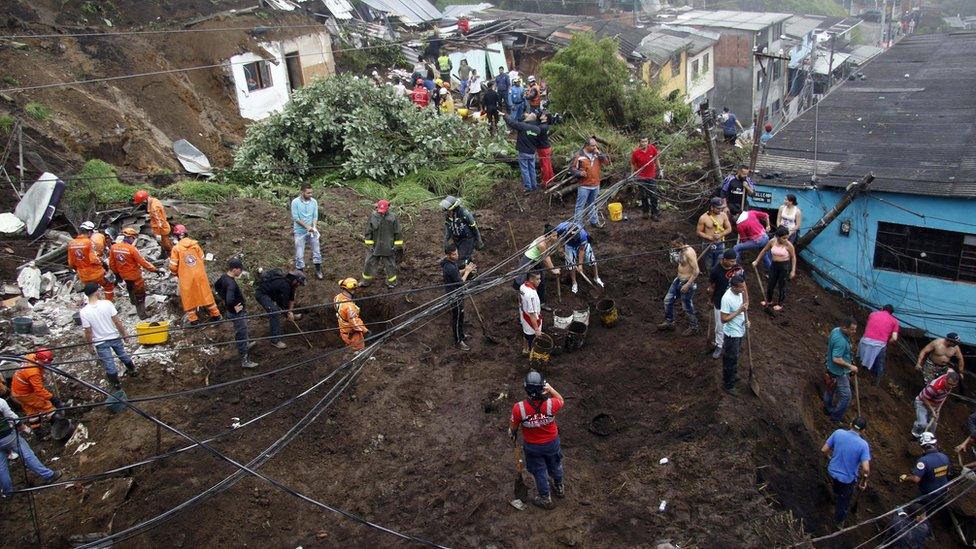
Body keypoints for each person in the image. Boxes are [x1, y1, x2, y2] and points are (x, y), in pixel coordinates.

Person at [508, 371, 565, 510]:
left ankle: (545, 498)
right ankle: (559, 487)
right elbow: (561, 400)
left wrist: (511, 432)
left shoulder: (519, 408)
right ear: (542, 387)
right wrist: (551, 389)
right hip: (552, 443)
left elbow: (513, 428)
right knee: (556, 465)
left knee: (539, 471)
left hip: (533, 447)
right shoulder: (552, 404)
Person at [79, 282, 137, 389]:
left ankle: (116, 384)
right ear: (96, 292)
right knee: (122, 355)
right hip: (113, 336)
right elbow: (117, 321)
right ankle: (133, 370)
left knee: (109, 363)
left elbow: (88, 331)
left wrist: (90, 345)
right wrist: (124, 335)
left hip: (100, 342)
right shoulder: (107, 304)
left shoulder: (84, 312)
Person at [0, 397, 61, 496]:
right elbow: (12, 417)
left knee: (1, 466)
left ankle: (8, 491)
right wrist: (23, 427)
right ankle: (48, 475)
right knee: (27, 455)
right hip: (8, 436)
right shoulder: (1, 402)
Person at [821, 417, 871, 527]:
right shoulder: (863, 445)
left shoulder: (838, 433)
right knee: (843, 502)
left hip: (831, 471)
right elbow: (866, 469)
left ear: (850, 424)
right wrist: (864, 481)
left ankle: (834, 494)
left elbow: (824, 449)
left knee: (835, 486)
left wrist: (830, 458)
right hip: (847, 479)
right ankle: (839, 522)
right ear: (863, 431)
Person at [168, 224, 221, 325]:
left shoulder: (176, 249)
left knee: (188, 297)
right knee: (205, 293)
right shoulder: (195, 245)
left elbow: (173, 266)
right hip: (199, 275)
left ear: (176, 236)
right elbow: (202, 258)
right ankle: (216, 315)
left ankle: (194, 320)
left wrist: (176, 273)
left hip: (186, 277)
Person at [214, 258, 258, 369]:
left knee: (243, 331)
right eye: (240, 270)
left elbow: (216, 286)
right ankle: (245, 360)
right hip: (237, 314)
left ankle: (246, 344)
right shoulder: (231, 284)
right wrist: (234, 307)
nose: (241, 272)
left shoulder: (224, 278)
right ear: (234, 270)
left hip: (231, 311)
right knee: (241, 334)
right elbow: (229, 299)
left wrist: (223, 299)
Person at [108, 227, 158, 319]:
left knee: (130, 289)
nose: (133, 240)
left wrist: (117, 274)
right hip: (135, 276)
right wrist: (155, 270)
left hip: (124, 276)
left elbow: (111, 263)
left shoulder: (114, 248)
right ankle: (142, 315)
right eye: (133, 238)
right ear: (130, 237)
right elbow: (143, 262)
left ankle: (133, 302)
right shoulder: (132, 249)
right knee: (140, 295)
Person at [659, 234, 700, 335]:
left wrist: (687, 285)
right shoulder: (681, 251)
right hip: (679, 279)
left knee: (687, 306)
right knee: (668, 300)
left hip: (687, 282)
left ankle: (694, 326)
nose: (672, 247)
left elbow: (696, 271)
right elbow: (678, 262)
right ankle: (670, 321)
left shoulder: (689, 252)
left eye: (673, 245)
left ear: (679, 243)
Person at [255, 268, 305, 350]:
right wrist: (288, 312)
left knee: (283, 308)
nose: (299, 284)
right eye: (299, 282)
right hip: (262, 294)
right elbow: (282, 303)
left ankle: (290, 316)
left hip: (273, 294)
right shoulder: (284, 285)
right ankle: (275, 340)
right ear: (295, 280)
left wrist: (290, 311)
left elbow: (291, 299)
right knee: (274, 312)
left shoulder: (291, 285)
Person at [899, 432, 950, 510]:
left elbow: (916, 479)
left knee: (913, 507)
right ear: (935, 444)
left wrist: (905, 478)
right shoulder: (944, 457)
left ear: (922, 446)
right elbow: (947, 473)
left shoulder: (923, 461)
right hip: (944, 492)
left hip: (929, 495)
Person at [709, 250, 744, 360]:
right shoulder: (715, 270)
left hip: (736, 300)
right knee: (720, 326)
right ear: (724, 260)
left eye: (735, 260)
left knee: (738, 322)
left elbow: (744, 285)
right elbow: (712, 287)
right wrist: (710, 300)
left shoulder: (738, 269)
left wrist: (746, 301)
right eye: (731, 261)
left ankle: (736, 343)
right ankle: (719, 345)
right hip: (720, 301)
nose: (734, 263)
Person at [10, 348, 60, 424]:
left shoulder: (31, 357)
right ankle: (57, 425)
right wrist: (52, 398)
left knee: (32, 412)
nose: (46, 366)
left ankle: (37, 431)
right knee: (47, 406)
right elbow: (39, 390)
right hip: (25, 393)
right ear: (41, 360)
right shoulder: (33, 372)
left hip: (17, 392)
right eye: (45, 363)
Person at [823, 318, 859, 425]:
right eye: (852, 330)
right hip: (839, 372)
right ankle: (835, 417)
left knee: (830, 388)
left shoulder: (836, 330)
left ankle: (827, 407)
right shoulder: (841, 341)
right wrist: (850, 366)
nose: (854, 332)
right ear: (844, 327)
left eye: (855, 329)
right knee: (846, 396)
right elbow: (836, 358)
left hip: (831, 367)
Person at [68, 220, 115, 302]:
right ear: (89, 232)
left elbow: (71, 263)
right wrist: (104, 266)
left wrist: (79, 270)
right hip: (96, 273)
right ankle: (109, 304)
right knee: (109, 286)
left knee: (92, 292)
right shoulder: (89, 242)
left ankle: (95, 306)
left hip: (83, 276)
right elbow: (94, 259)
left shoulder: (71, 243)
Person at [752, 226, 796, 310]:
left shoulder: (788, 245)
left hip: (784, 266)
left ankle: (780, 303)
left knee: (782, 285)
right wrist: (756, 261)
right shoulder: (772, 242)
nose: (786, 240)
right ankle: (769, 300)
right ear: (778, 237)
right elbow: (764, 250)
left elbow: (793, 257)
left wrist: (793, 270)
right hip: (774, 265)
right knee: (770, 283)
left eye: (787, 237)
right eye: (783, 238)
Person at [362, 200, 403, 289]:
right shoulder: (373, 217)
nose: (381, 213)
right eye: (380, 211)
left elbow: (398, 233)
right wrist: (370, 245)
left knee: (390, 266)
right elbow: (368, 231)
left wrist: (396, 246)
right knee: (369, 263)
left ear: (388, 208)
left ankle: (392, 283)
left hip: (388, 247)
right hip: (375, 247)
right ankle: (366, 281)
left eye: (384, 211)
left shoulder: (393, 218)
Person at [442, 244, 476, 351]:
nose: (457, 256)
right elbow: (460, 282)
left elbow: (456, 273)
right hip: (454, 295)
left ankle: (461, 335)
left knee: (461, 316)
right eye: (454, 254)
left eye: (456, 253)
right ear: (448, 255)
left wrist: (465, 269)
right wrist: (467, 272)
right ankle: (458, 341)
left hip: (458, 294)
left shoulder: (451, 263)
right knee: (457, 318)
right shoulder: (449, 267)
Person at [516, 229, 560, 310]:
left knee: (541, 280)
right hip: (528, 260)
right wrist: (553, 270)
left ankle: (541, 303)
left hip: (537, 260)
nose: (556, 237)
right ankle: (522, 302)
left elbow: (545, 257)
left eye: (556, 235)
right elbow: (546, 258)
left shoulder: (548, 240)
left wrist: (551, 268)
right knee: (523, 280)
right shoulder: (542, 244)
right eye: (554, 236)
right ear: (547, 235)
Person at [570, 138, 610, 228]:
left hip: (595, 184)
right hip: (584, 185)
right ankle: (577, 225)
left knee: (593, 204)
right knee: (580, 205)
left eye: (595, 145)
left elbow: (607, 162)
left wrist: (599, 153)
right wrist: (579, 173)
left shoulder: (597, 154)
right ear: (587, 146)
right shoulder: (579, 155)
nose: (594, 147)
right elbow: (572, 168)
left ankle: (594, 221)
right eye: (592, 146)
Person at [554, 222, 602, 294]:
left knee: (591, 258)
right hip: (569, 244)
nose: (575, 238)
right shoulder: (561, 228)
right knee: (570, 264)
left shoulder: (583, 235)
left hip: (582, 244)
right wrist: (559, 246)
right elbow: (553, 236)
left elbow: (581, 250)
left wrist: (580, 265)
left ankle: (596, 277)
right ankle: (574, 282)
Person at [720, 275, 749, 393]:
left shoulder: (740, 292)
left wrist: (747, 321)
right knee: (730, 359)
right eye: (741, 288)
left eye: (743, 286)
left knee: (735, 356)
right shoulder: (727, 298)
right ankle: (728, 385)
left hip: (740, 330)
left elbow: (744, 309)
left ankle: (732, 375)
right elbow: (723, 319)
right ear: (733, 287)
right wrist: (738, 311)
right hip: (731, 334)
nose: (743, 289)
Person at [858, 305, 899, 386]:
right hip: (880, 345)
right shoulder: (895, 321)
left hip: (865, 341)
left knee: (861, 358)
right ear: (891, 313)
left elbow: (869, 326)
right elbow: (894, 338)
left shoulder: (872, 314)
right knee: (879, 364)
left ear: (882, 309)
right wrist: (888, 342)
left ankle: (860, 374)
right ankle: (876, 384)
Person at [912, 370, 959, 438]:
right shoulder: (935, 387)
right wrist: (932, 410)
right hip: (922, 403)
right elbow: (924, 398)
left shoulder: (949, 383)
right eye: (949, 384)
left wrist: (938, 409)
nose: (951, 387)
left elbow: (945, 396)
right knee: (922, 424)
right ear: (945, 379)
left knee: (933, 425)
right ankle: (915, 437)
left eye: (953, 385)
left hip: (935, 405)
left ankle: (927, 439)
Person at [440, 195, 483, 268]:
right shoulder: (448, 217)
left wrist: (478, 240)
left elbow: (474, 227)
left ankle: (470, 275)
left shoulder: (464, 213)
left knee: (462, 259)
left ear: (453, 208)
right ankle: (471, 269)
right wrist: (445, 242)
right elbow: (448, 231)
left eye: (448, 211)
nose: (446, 213)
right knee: (457, 258)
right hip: (457, 239)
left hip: (467, 239)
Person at [291, 184, 323, 280]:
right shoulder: (295, 202)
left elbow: (315, 216)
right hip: (299, 232)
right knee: (299, 254)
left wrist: (314, 227)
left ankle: (318, 270)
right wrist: (307, 227)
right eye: (308, 193)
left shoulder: (314, 202)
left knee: (317, 251)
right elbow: (295, 218)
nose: (310, 194)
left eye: (311, 192)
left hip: (312, 231)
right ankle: (301, 275)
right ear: (302, 192)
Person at [505, 112, 543, 192]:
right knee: (532, 169)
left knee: (525, 169)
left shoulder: (523, 126)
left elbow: (512, 123)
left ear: (529, 118)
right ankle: (534, 185)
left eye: (528, 115)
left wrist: (505, 116)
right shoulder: (538, 129)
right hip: (532, 152)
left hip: (523, 152)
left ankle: (528, 187)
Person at [630, 137, 662, 221]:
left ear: (648, 142)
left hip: (651, 176)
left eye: (646, 141)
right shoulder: (636, 152)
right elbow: (633, 164)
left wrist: (660, 169)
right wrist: (632, 175)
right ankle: (645, 212)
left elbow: (656, 159)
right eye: (642, 141)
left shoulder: (652, 148)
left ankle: (655, 213)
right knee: (643, 195)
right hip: (641, 177)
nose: (644, 143)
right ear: (639, 142)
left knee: (654, 195)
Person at [696, 197, 733, 269]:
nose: (720, 210)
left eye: (721, 208)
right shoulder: (703, 218)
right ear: (712, 207)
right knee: (708, 265)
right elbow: (698, 232)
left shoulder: (723, 215)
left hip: (720, 243)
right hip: (708, 244)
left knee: (719, 264)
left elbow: (729, 229)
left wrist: (720, 235)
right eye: (718, 208)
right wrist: (709, 237)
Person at [133, 190, 172, 256]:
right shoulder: (155, 200)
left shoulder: (154, 208)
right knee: (165, 242)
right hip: (161, 226)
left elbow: (159, 221)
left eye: (142, 202)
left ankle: (170, 255)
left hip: (161, 229)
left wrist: (159, 233)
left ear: (145, 200)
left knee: (166, 244)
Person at [335, 278, 368, 351]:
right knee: (358, 350)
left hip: (344, 332)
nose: (355, 291)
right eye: (355, 289)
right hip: (353, 335)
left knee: (349, 347)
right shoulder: (349, 307)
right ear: (351, 290)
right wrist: (366, 331)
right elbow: (355, 324)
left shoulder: (337, 297)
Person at [519, 271, 543, 356]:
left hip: (523, 315)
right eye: (537, 279)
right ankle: (533, 354)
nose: (540, 281)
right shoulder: (531, 295)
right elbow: (532, 314)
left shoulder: (522, 286)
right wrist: (536, 329)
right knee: (532, 338)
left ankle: (525, 349)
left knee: (525, 334)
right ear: (531, 280)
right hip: (530, 320)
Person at [536, 112, 554, 187]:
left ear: (546, 117)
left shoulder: (541, 127)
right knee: (548, 163)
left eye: (543, 115)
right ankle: (551, 178)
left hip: (542, 148)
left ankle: (545, 181)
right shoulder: (546, 126)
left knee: (544, 165)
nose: (541, 115)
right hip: (546, 147)